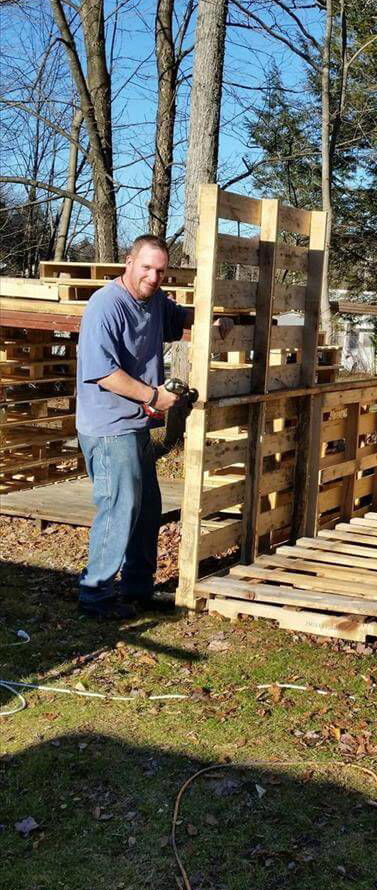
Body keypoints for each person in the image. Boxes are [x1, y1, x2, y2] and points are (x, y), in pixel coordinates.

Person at [75, 234, 231, 619]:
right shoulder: (106, 306)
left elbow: (182, 319)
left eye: (160, 270)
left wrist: (216, 318)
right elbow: (103, 373)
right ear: (128, 262)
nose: (153, 276)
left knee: (147, 508)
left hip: (136, 424)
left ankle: (137, 589)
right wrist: (152, 396)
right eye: (146, 267)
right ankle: (95, 597)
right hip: (109, 425)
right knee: (119, 507)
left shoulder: (156, 301)